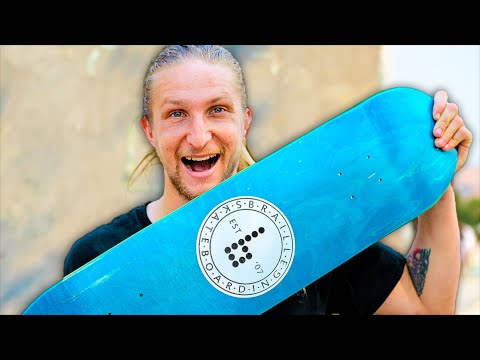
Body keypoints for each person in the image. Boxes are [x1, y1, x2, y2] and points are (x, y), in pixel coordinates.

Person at [63, 45, 473, 315]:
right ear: (149, 130)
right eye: (175, 114)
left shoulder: (313, 226)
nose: (199, 134)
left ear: (245, 122)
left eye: (218, 109)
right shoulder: (100, 261)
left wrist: (435, 183)